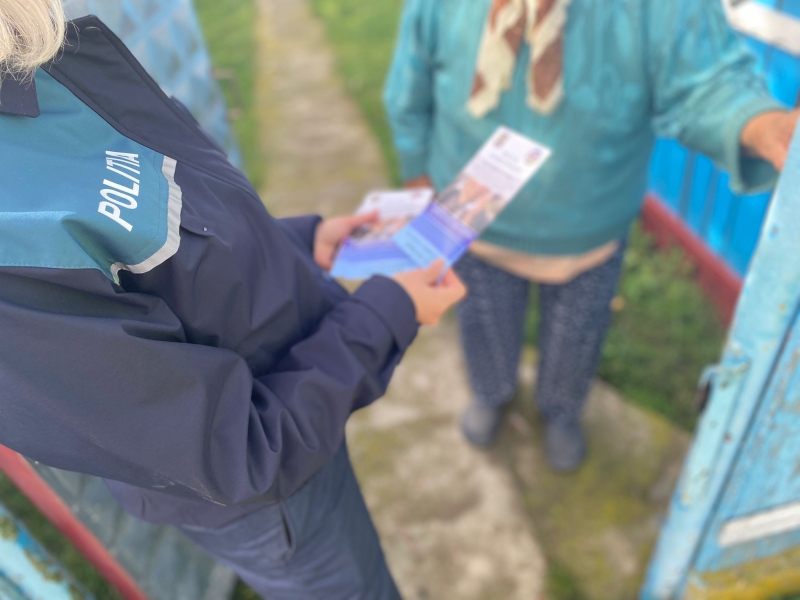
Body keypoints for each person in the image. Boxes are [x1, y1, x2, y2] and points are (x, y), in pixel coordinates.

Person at [0, 3, 466, 599]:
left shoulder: (40, 61)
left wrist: (300, 242)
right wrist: (388, 310)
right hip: (273, 494)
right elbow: (239, 451)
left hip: (301, 397)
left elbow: (172, 253)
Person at [384, 0, 799, 472]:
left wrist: (763, 125)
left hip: (590, 224)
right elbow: (410, 79)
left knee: (575, 339)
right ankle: (491, 393)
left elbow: (707, 81)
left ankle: (560, 412)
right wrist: (416, 173)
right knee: (484, 323)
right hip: (471, 216)